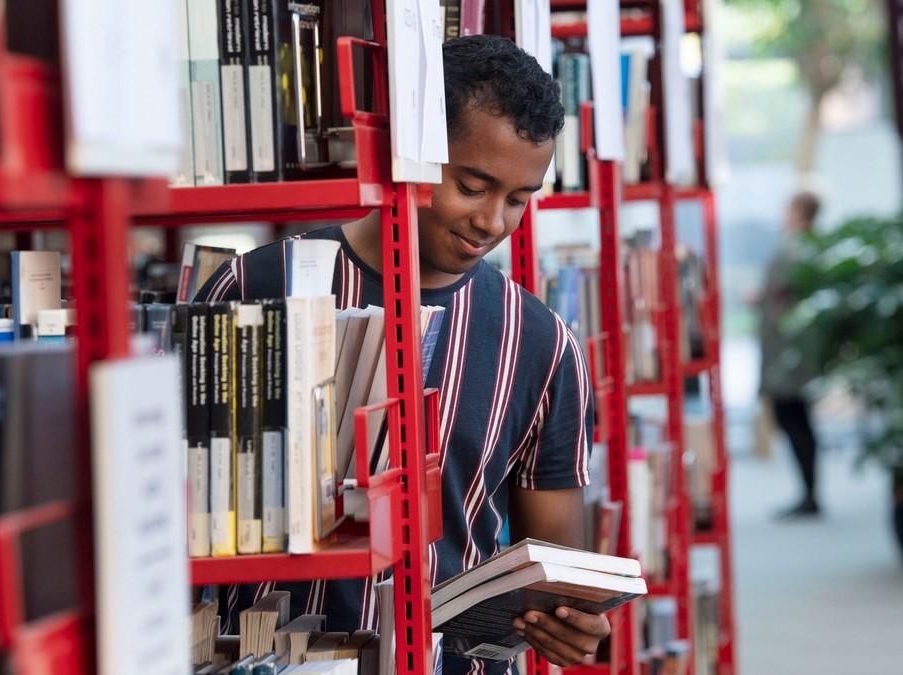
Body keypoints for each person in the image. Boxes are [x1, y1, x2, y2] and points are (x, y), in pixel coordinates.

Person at [195, 35, 608, 672]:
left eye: (520, 199)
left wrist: (571, 623)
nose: (493, 222)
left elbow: (553, 568)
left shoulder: (543, 344)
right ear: (414, 155)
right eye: (472, 185)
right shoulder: (253, 289)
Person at [759, 191, 821, 518]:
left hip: (788, 352)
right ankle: (810, 493)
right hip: (795, 351)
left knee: (793, 417)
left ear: (799, 212)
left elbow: (784, 294)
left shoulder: (793, 248)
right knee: (798, 418)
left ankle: (810, 495)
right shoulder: (810, 246)